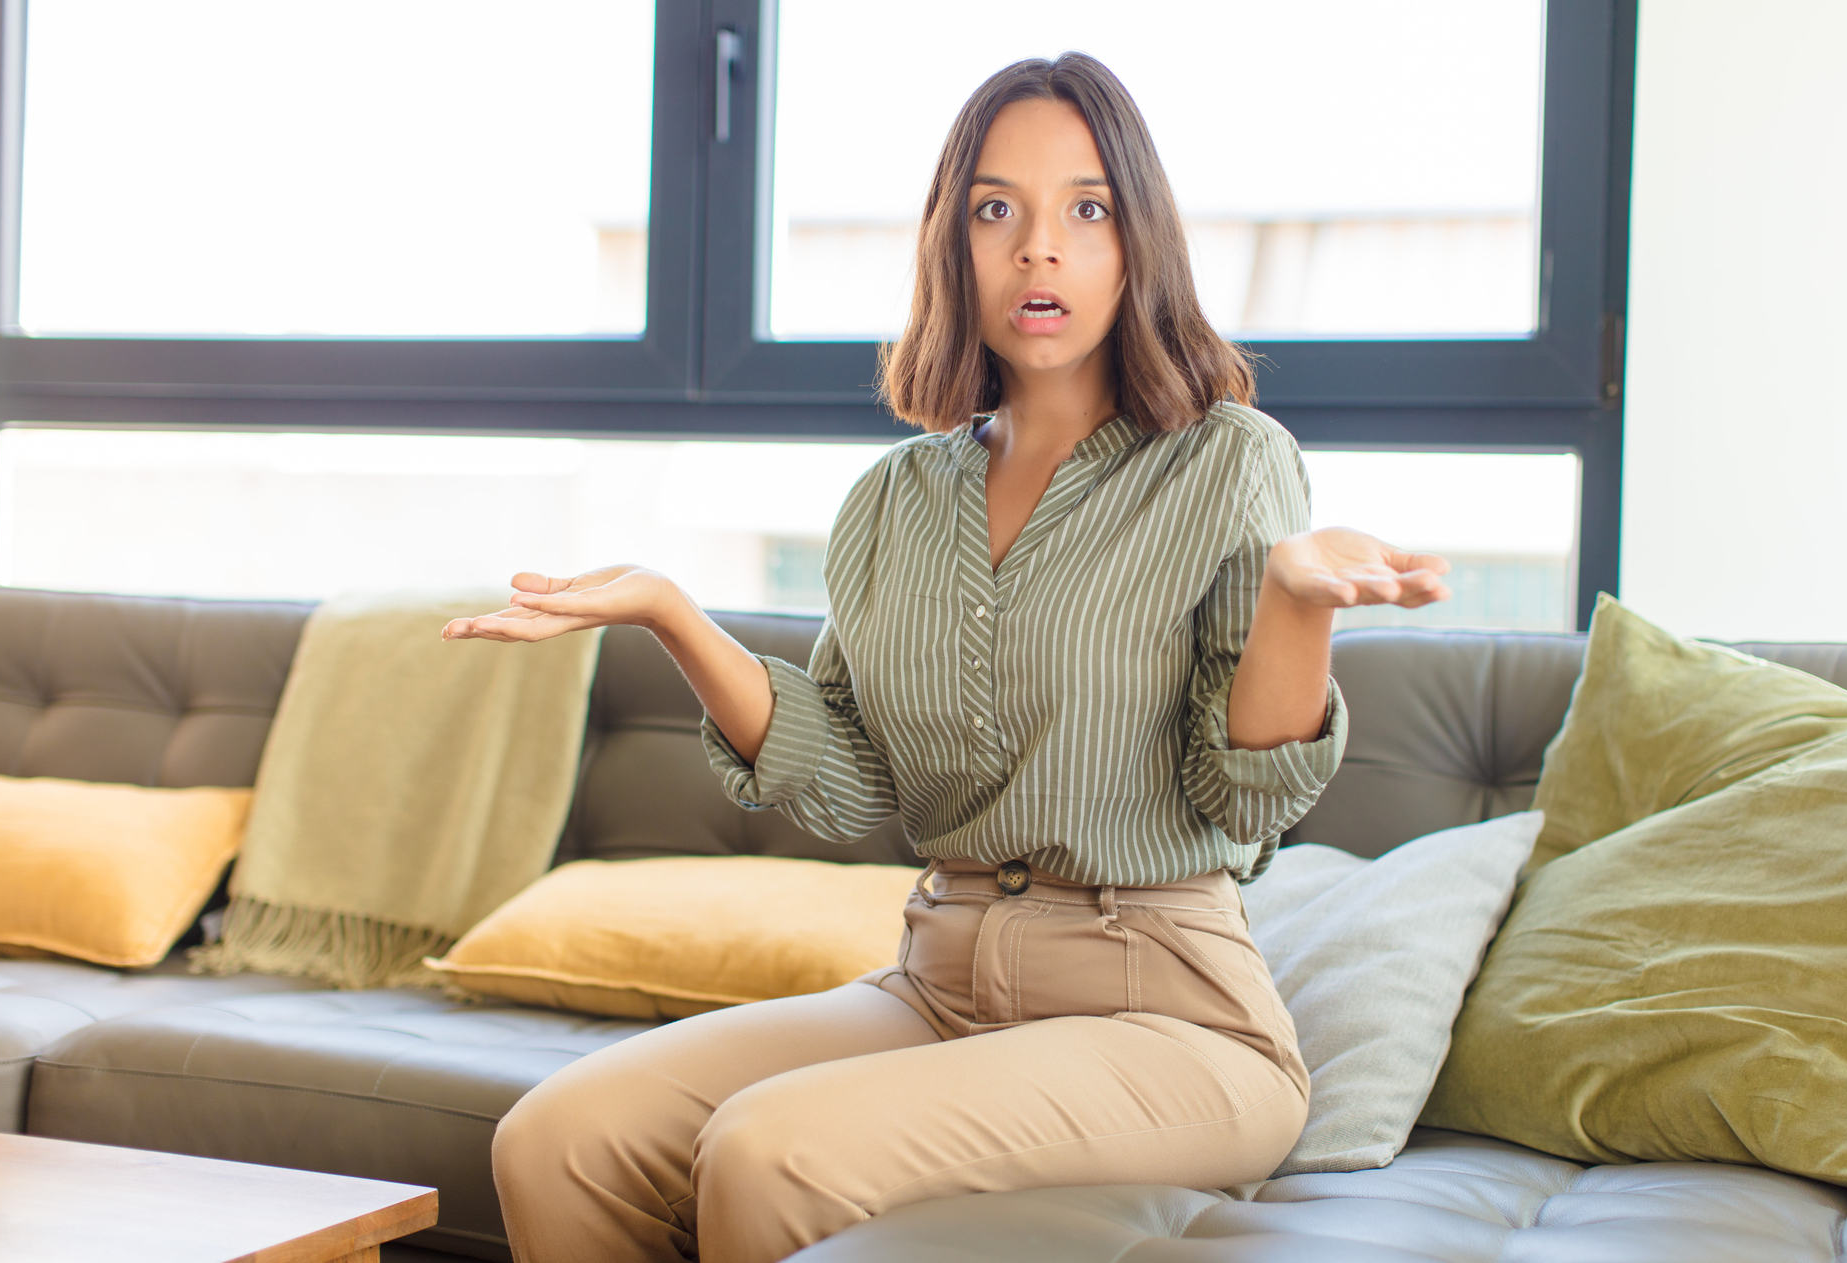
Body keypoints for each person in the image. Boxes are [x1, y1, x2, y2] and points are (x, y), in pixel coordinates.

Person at [444, 52, 1449, 1263]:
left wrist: (1297, 605)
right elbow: (857, 781)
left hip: (1168, 1012)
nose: (1038, 250)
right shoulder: (892, 503)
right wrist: (673, 615)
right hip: (938, 982)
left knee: (770, 1151)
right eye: (995, 210)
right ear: (951, 244)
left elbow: (1240, 795)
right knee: (559, 1137)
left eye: (1086, 210)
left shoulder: (1225, 460)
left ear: (1136, 242)